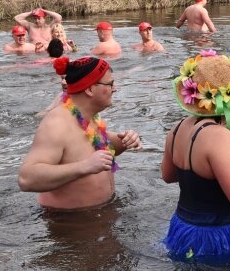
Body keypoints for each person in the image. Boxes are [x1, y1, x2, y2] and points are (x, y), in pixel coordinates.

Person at [161, 50, 230, 261]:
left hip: (182, 228)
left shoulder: (178, 128)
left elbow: (168, 176)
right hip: (216, 239)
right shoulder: (219, 137)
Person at [18, 56, 142, 209]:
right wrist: (85, 166)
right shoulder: (57, 123)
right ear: (90, 89)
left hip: (102, 213)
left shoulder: (89, 117)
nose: (114, 89)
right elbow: (27, 178)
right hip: (71, 223)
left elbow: (92, 148)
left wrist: (125, 140)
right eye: (110, 84)